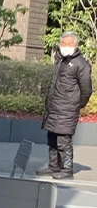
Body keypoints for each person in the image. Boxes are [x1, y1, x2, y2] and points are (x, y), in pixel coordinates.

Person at [40, 30, 92, 179]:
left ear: (75, 45)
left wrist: (77, 104)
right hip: (54, 108)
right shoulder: (61, 60)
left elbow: (86, 90)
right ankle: (53, 166)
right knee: (52, 139)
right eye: (64, 43)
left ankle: (67, 169)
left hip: (67, 109)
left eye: (69, 43)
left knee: (64, 141)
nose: (66, 46)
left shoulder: (80, 64)